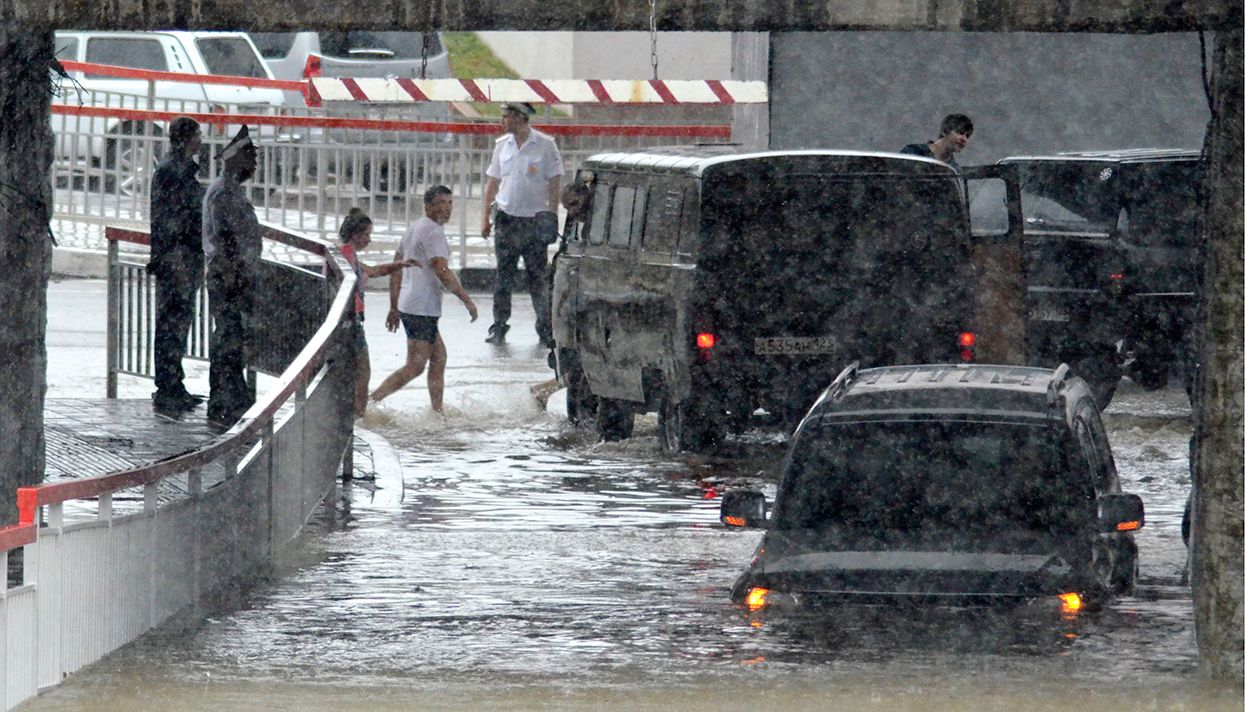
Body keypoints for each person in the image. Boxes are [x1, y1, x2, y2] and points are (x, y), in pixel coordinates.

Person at [370, 186, 478, 413]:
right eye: (441, 203)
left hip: (413, 305)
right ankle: (368, 402)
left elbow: (396, 266)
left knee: (439, 357)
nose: (447, 208)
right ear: (428, 206)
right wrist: (466, 300)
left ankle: (437, 411)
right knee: (415, 366)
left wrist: (394, 306)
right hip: (421, 308)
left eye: (450, 203)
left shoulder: (415, 227)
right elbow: (442, 270)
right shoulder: (433, 232)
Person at [480, 101, 563, 347]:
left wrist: (551, 215)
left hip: (534, 221)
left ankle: (545, 329)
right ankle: (499, 326)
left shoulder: (545, 145)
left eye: (505, 116)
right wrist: (484, 218)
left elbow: (554, 184)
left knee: (537, 278)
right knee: (503, 277)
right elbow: (492, 183)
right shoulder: (502, 146)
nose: (502, 121)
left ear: (519, 117)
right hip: (507, 219)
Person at [202, 125, 261, 428]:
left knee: (230, 338)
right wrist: (238, 277)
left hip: (230, 276)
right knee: (229, 340)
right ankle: (228, 401)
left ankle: (228, 399)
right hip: (228, 278)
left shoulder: (230, 190)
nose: (255, 164)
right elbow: (227, 240)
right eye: (251, 157)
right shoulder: (225, 193)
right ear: (236, 159)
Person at [337, 208, 421, 419]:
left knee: (351, 370)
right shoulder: (345, 255)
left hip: (348, 320)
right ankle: (357, 415)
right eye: (366, 234)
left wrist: (400, 264)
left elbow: (373, 271)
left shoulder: (345, 254)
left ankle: (350, 412)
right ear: (355, 235)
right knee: (362, 370)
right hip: (349, 320)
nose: (369, 239)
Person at [148, 116, 205, 413]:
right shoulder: (173, 171)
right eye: (198, 134)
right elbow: (169, 219)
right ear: (186, 138)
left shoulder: (179, 169)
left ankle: (173, 384)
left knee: (177, 323)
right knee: (172, 324)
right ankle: (168, 386)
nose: (201, 140)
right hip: (178, 258)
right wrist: (174, 256)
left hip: (183, 256)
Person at [530, 182, 592, 410]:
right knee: (578, 360)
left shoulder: (598, 224)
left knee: (583, 361)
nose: (573, 211)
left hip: (586, 300)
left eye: (575, 204)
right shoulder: (579, 228)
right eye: (567, 208)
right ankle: (543, 390)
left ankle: (543, 391)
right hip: (575, 302)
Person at [900, 113, 974, 169]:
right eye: (960, 132)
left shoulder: (955, 169)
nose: (964, 139)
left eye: (967, 136)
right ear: (945, 131)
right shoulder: (912, 152)